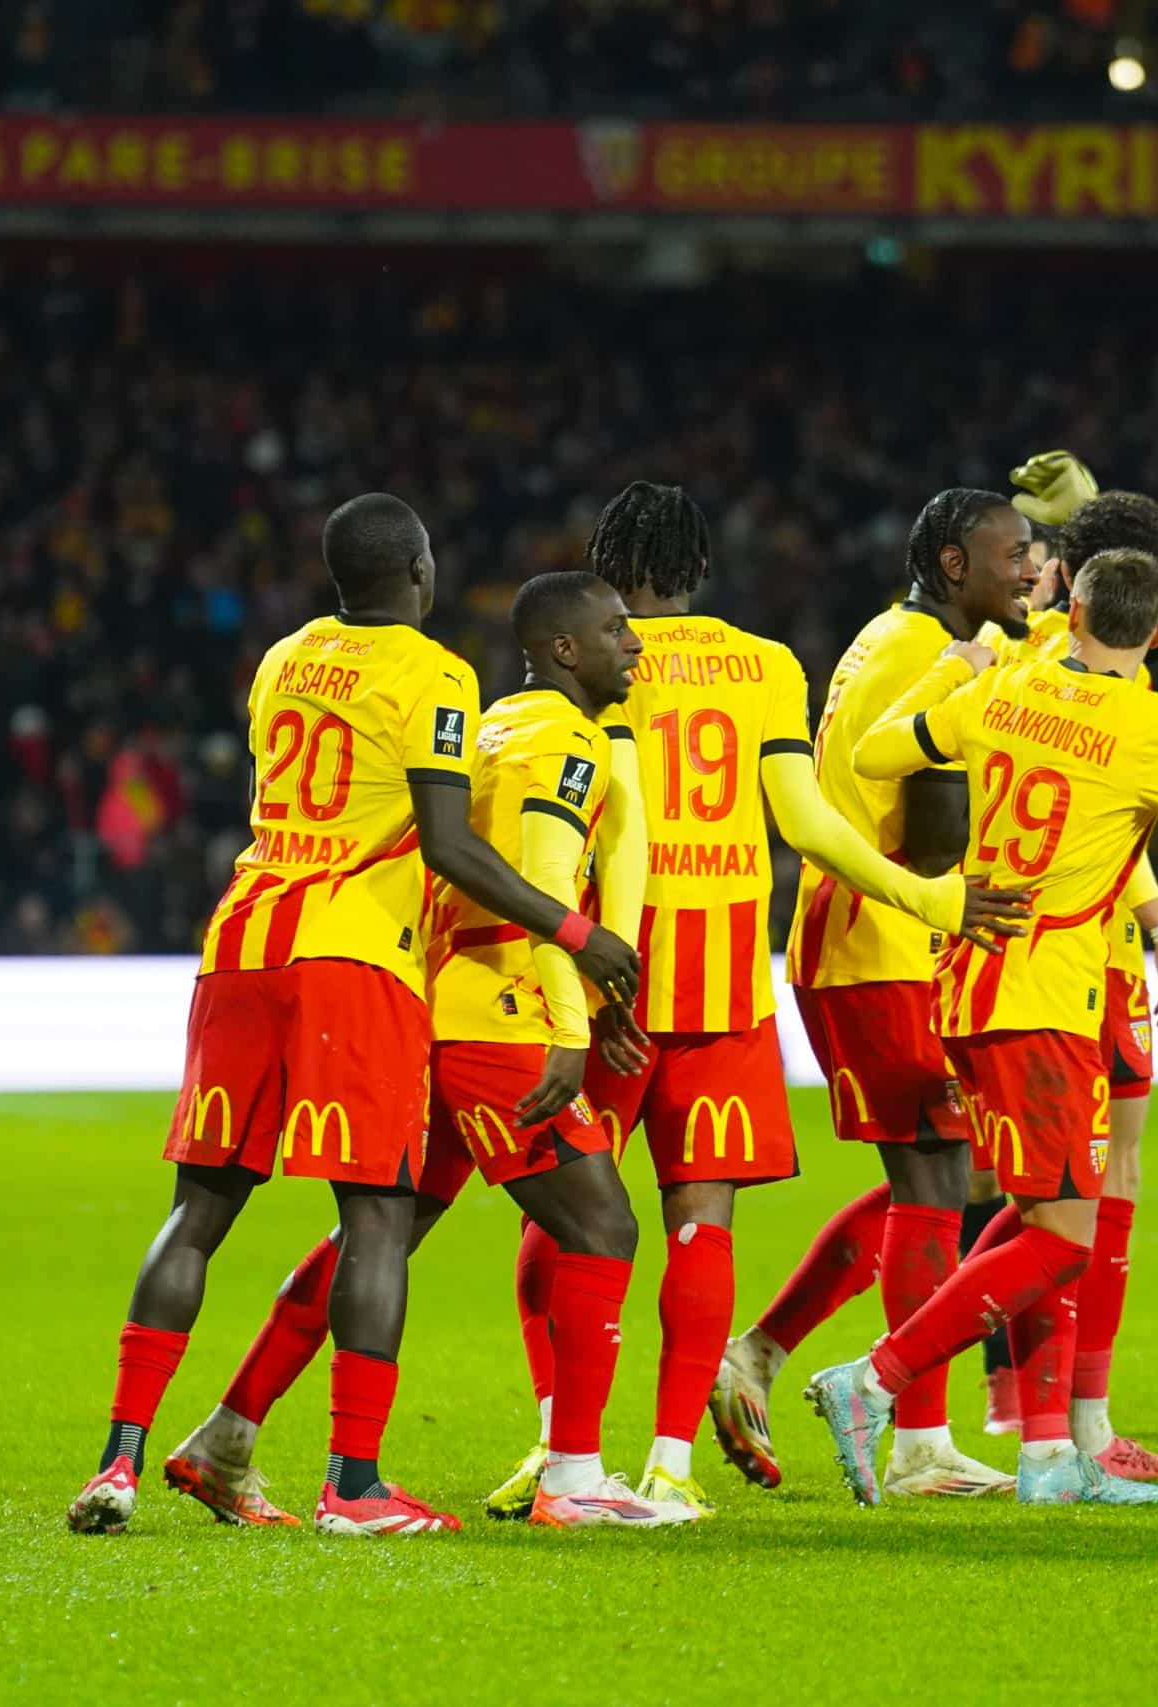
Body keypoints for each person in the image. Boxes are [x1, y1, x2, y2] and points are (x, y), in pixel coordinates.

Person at [63, 497, 642, 1540]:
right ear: (418, 570)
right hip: (352, 952)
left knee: (199, 1208)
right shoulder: (436, 675)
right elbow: (448, 845)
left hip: (242, 934)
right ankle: (356, 1484)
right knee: (377, 1212)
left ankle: (119, 1463)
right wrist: (578, 932)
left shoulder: (282, 658)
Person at [802, 547, 1158, 1507]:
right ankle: (869, 1382)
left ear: (1073, 606)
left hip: (970, 980)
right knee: (1063, 1239)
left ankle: (1048, 1461)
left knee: (1044, 1214)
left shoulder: (1005, 685)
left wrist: (951, 666)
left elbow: (874, 752)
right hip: (1043, 998)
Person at [544, 479, 1029, 1517]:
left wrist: (586, 943)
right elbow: (808, 821)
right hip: (736, 969)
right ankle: (674, 1461)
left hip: (615, 968)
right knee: (707, 1221)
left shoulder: (590, 654)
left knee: (567, 1212)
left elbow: (602, 818)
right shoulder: (765, 664)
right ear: (703, 566)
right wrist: (932, 897)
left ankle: (561, 1448)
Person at [708, 488, 1042, 1501]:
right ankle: (916, 1443)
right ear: (953, 564)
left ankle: (763, 1355)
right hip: (881, 940)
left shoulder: (892, 636)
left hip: (867, 936)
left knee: (942, 1177)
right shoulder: (923, 658)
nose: (1028, 569)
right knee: (942, 1179)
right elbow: (936, 835)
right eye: (1012, 553)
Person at [963, 462, 1158, 1480]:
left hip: (1096, 948)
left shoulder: (1093, 665)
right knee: (1012, 1190)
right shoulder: (1011, 657)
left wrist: (1157, 927)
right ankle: (991, 1399)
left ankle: (1075, 1421)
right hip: (1027, 952)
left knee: (1096, 1183)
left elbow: (1101, 819)